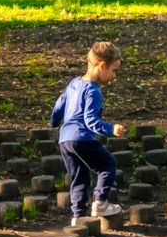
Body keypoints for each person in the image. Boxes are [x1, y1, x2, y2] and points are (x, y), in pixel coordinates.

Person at [51, 40, 124, 224]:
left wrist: (54, 122)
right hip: (81, 138)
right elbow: (90, 120)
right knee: (107, 166)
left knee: (79, 177)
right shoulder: (93, 91)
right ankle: (100, 202)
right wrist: (110, 128)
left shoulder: (74, 83)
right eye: (114, 70)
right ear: (101, 65)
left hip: (65, 140)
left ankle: (78, 217)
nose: (114, 76)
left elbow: (59, 106)